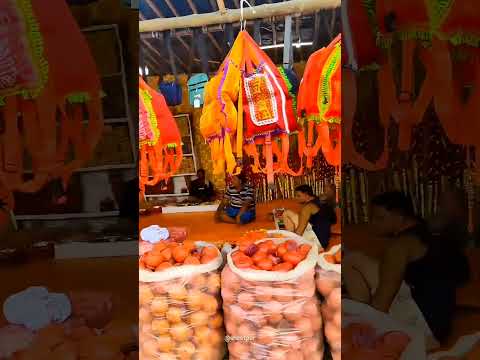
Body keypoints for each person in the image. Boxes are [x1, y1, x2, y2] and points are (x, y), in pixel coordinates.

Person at [343, 191, 470, 348]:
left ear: (399, 216)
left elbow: (382, 302)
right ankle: (360, 310)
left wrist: (361, 326)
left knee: (350, 264)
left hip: (420, 331)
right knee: (355, 260)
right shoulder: (431, 235)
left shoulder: (400, 246)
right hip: (440, 328)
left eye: (379, 218)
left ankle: (361, 315)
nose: (373, 224)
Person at [283, 184, 337, 249]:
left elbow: (299, 232)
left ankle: (291, 239)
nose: (296, 198)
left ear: (306, 194)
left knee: (286, 213)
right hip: (325, 239)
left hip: (316, 242)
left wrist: (289, 243)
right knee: (288, 213)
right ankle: (291, 235)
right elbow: (333, 220)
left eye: (298, 196)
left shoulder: (308, 208)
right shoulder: (319, 200)